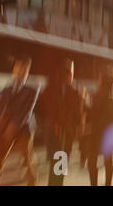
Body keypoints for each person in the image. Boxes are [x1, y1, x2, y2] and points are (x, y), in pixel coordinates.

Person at [0, 56, 40, 186]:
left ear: (27, 70)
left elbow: (27, 111)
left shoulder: (33, 89)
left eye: (23, 68)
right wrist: (1, 123)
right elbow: (1, 108)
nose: (19, 70)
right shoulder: (7, 88)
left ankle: (32, 182)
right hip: (7, 128)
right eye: (17, 67)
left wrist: (14, 125)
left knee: (27, 159)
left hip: (24, 129)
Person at [36, 58, 83, 186]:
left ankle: (55, 183)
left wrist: (45, 126)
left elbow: (39, 110)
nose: (70, 77)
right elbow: (39, 110)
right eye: (69, 73)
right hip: (58, 132)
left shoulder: (69, 92)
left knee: (57, 163)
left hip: (60, 133)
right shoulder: (65, 91)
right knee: (58, 163)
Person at [87, 66, 113, 186]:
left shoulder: (97, 95)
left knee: (92, 161)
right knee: (108, 161)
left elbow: (92, 115)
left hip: (96, 133)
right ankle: (108, 184)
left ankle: (94, 184)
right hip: (108, 134)